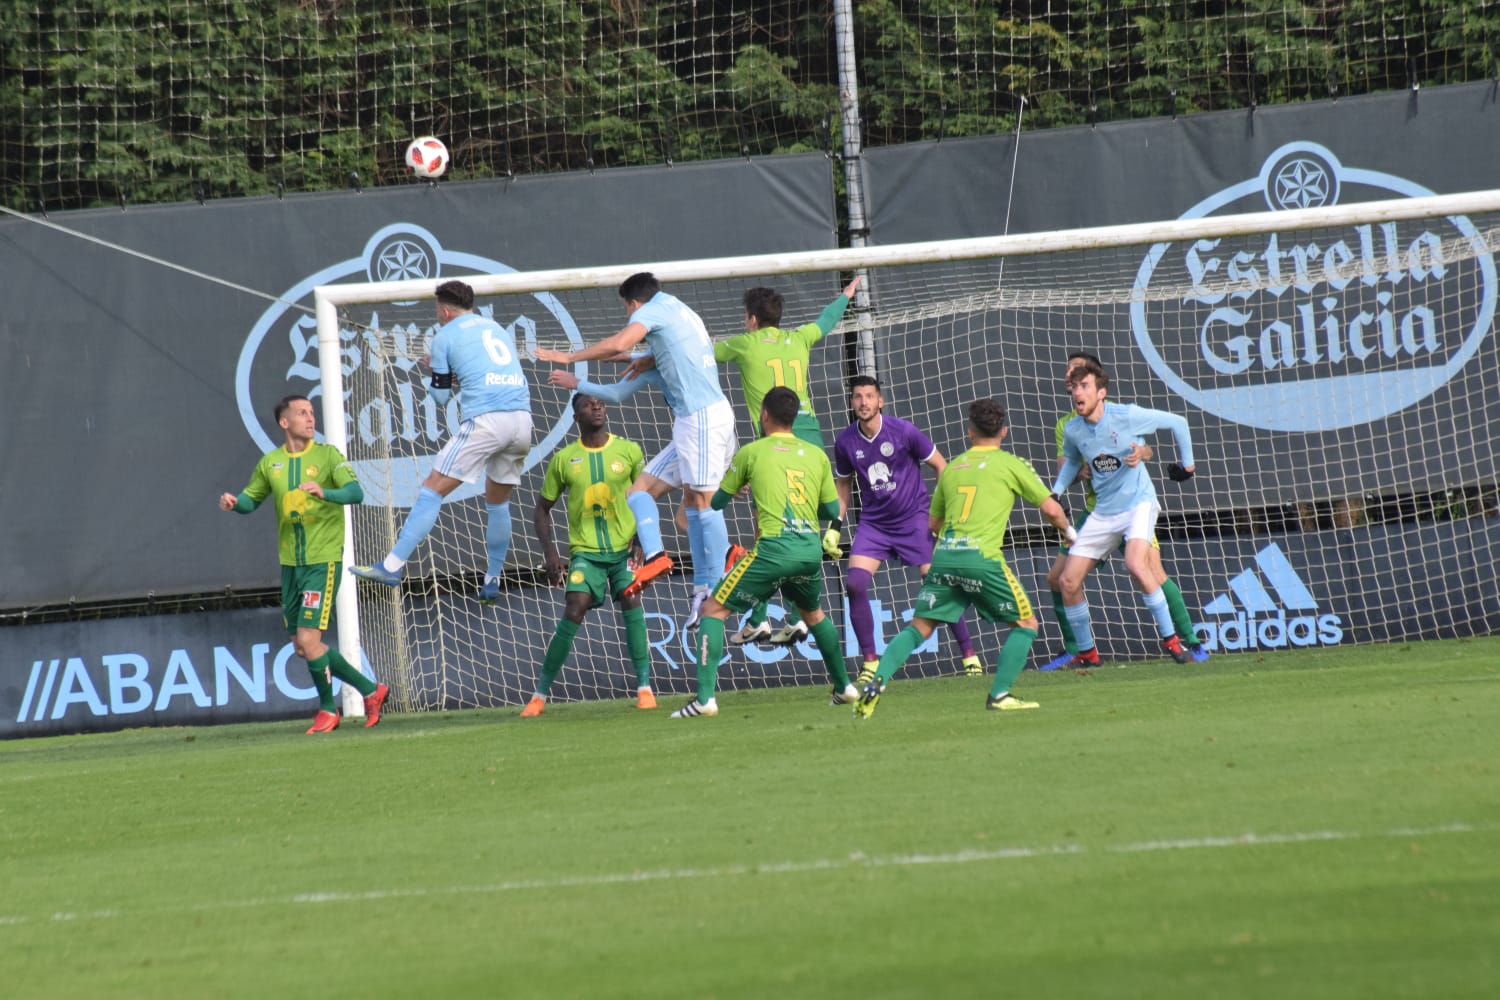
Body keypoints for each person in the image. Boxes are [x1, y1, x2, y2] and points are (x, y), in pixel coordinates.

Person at [536, 273, 735, 631]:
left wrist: (569, 360)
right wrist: (636, 360)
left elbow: (618, 345)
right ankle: (663, 560)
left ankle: (721, 577)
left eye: (628, 311)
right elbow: (623, 378)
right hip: (695, 424)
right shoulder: (678, 316)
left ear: (634, 304)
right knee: (641, 492)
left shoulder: (652, 313)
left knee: (702, 504)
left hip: (702, 419)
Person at [853, 398, 1073, 719]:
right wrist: (1069, 531)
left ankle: (877, 682)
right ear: (1004, 432)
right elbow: (1053, 510)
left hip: (944, 558)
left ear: (970, 433)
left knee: (919, 627)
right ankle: (999, 695)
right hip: (981, 558)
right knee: (1026, 624)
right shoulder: (1012, 464)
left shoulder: (953, 468)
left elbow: (933, 523)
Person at [669, 387, 857, 717]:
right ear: (795, 417)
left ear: (764, 415)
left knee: (713, 610)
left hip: (773, 550)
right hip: (809, 552)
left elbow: (717, 503)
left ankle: (704, 700)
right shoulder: (815, 456)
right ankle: (844, 688)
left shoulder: (752, 453)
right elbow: (830, 509)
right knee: (813, 615)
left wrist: (739, 484)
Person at [350, 280, 532, 602]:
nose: (439, 318)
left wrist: (435, 370)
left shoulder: (444, 336)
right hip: (522, 420)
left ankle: (392, 566)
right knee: (498, 502)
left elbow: (440, 397)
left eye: (438, 312)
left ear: (445, 311)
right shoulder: (496, 329)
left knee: (432, 489)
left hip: (487, 421)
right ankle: (492, 579)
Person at [220, 395, 388, 734]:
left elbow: (355, 493)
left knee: (310, 640)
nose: (310, 418)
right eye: (302, 413)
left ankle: (328, 710)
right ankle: (371, 690)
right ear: (285, 423)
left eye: (312, 413)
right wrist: (236, 503)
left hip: (321, 559)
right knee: (302, 646)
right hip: (290, 564)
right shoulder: (271, 463)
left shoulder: (328, 456)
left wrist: (326, 493)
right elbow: (252, 499)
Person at [710, 276, 861, 646]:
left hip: (776, 442)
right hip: (810, 438)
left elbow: (701, 354)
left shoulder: (744, 344)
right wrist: (845, 295)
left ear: (752, 320)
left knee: (769, 534)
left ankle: (760, 619)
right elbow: (826, 320)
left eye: (745, 317)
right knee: (799, 532)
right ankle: (793, 618)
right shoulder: (799, 338)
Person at [1041, 352, 1208, 669]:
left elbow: (1176, 422)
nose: (1077, 390)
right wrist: (1056, 491)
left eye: (1084, 384)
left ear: (1100, 390)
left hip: (1138, 504)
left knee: (1138, 565)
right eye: (1074, 385)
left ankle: (1177, 641)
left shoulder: (1125, 415)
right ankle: (1087, 654)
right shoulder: (1072, 429)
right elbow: (1073, 462)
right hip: (1102, 511)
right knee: (1066, 581)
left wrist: (1186, 466)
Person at [832, 375, 985, 684]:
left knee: (937, 583)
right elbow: (843, 485)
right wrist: (836, 525)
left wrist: (939, 513)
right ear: (852, 402)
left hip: (914, 518)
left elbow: (942, 466)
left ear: (880, 401)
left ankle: (969, 654)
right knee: (855, 585)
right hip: (874, 524)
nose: (864, 402)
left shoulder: (903, 431)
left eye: (869, 396)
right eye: (858, 397)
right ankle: (870, 663)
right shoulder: (845, 442)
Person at [521, 392, 655, 715]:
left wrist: (641, 537)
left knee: (630, 597)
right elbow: (541, 510)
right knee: (575, 606)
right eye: (588, 404)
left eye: (601, 403)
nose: (597, 406)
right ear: (576, 417)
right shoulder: (565, 459)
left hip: (622, 549)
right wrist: (551, 554)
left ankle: (645, 688)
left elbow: (645, 495)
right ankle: (539, 695)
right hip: (586, 552)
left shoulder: (630, 450)